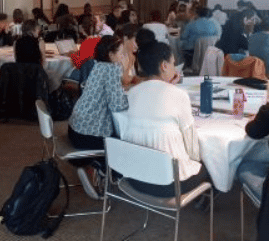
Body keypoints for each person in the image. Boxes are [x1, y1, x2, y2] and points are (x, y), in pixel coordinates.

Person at [119, 41, 208, 197]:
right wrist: (195, 162)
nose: (175, 68)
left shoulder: (132, 93)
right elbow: (191, 143)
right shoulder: (179, 95)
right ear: (164, 66)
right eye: (173, 63)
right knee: (210, 165)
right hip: (169, 184)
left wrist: (168, 86)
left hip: (135, 177)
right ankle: (203, 201)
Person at [67, 36, 131, 199]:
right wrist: (125, 71)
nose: (125, 56)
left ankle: (98, 166)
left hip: (75, 129)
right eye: (122, 53)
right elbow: (118, 105)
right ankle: (100, 168)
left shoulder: (97, 65)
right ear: (110, 55)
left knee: (116, 132)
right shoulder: (111, 70)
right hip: (87, 136)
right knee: (124, 140)